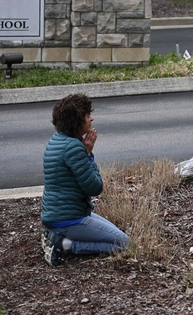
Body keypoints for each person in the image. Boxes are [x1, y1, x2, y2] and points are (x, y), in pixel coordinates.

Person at [40, 93, 128, 265]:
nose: (92, 118)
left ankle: (54, 234)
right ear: (76, 121)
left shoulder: (58, 139)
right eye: (87, 115)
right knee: (124, 243)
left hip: (58, 214)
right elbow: (95, 187)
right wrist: (88, 154)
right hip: (67, 219)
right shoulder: (73, 147)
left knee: (118, 234)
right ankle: (66, 244)